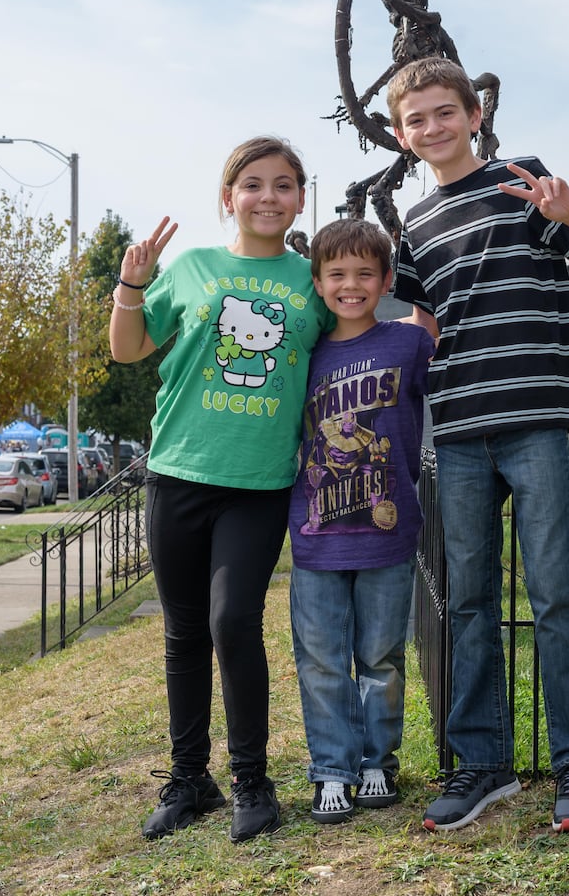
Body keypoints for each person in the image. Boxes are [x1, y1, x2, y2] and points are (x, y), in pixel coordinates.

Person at [386, 56, 569, 832]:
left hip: (535, 422)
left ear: (474, 115)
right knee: (469, 600)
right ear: (401, 135)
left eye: (444, 112)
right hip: (458, 430)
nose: (432, 127)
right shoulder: (415, 226)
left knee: (554, 592)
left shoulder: (524, 182)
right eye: (416, 119)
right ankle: (483, 765)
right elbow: (424, 327)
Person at [109, 136, 333, 842]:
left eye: (284, 184)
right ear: (228, 196)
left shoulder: (313, 282)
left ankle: (251, 782)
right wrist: (131, 286)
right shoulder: (192, 268)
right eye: (253, 184)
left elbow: (351, 344)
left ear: (300, 198)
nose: (268, 196)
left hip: (259, 483)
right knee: (183, 633)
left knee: (233, 620)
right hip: (178, 471)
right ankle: (189, 780)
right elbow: (127, 348)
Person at [285, 218, 434, 825]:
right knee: (321, 661)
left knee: (382, 657)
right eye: (337, 274)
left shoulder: (408, 343)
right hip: (317, 536)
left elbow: (447, 354)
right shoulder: (301, 353)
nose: (351, 285)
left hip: (387, 534)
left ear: (386, 280)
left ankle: (377, 763)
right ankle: (331, 770)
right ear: (318, 282)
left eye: (365, 274)